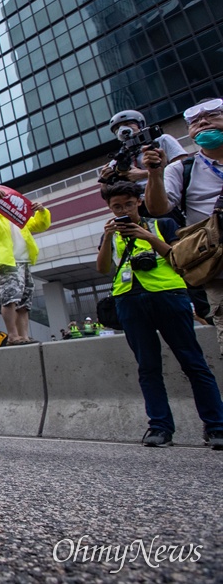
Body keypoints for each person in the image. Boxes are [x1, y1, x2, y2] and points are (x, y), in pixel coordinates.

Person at [96, 180, 223, 449]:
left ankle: (216, 426)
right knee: (148, 367)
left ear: (139, 202)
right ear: (109, 208)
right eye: (116, 206)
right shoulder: (111, 233)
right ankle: (159, 427)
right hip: (129, 299)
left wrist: (149, 238)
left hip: (169, 296)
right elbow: (103, 267)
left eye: (128, 204)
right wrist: (107, 237)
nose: (124, 210)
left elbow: (180, 258)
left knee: (193, 362)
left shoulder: (161, 225)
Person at [144, 97, 223, 354]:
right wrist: (154, 173)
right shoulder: (180, 169)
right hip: (218, 267)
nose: (202, 123)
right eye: (194, 121)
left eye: (212, 116)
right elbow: (158, 208)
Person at [0, 186, 51, 344]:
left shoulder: (21, 218)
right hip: (7, 263)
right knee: (10, 299)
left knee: (24, 302)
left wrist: (42, 211)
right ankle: (12, 335)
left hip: (24, 262)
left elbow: (41, 225)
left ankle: (23, 336)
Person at [100, 109, 187, 191]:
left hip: (168, 192)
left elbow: (184, 167)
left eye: (127, 124)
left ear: (140, 125)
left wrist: (144, 174)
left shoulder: (162, 140)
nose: (122, 129)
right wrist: (104, 180)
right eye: (117, 128)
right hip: (138, 203)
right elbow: (106, 193)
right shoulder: (118, 159)